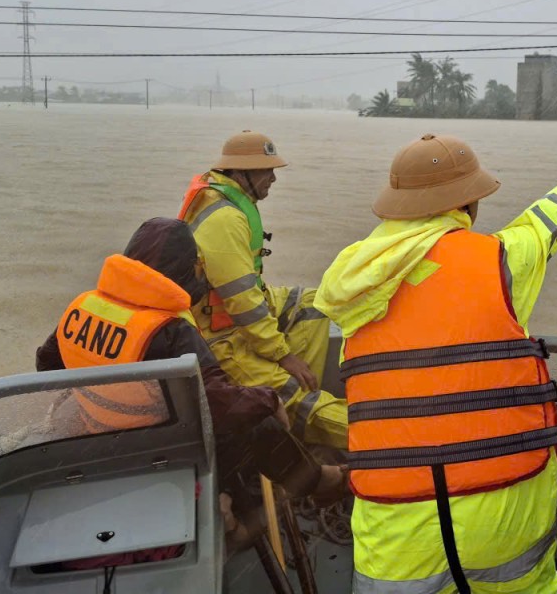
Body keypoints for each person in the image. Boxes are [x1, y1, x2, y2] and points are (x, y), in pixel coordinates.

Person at [315, 133, 557, 594]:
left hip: (396, 530)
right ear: (469, 204)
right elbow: (543, 223)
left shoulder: (353, 286)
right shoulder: (500, 261)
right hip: (503, 512)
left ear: (396, 209)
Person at [36, 217, 347, 547]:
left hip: (97, 440)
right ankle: (320, 482)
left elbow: (47, 363)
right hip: (155, 454)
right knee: (260, 425)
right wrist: (269, 399)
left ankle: (228, 508)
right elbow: (217, 403)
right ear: (183, 270)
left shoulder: (83, 306)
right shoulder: (171, 330)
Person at [178, 130, 347, 449]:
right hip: (220, 337)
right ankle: (318, 415)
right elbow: (242, 304)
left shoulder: (222, 199)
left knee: (315, 303)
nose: (273, 178)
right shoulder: (224, 219)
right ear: (240, 173)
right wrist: (283, 356)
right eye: (265, 170)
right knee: (297, 400)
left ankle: (301, 401)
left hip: (233, 317)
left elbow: (247, 294)